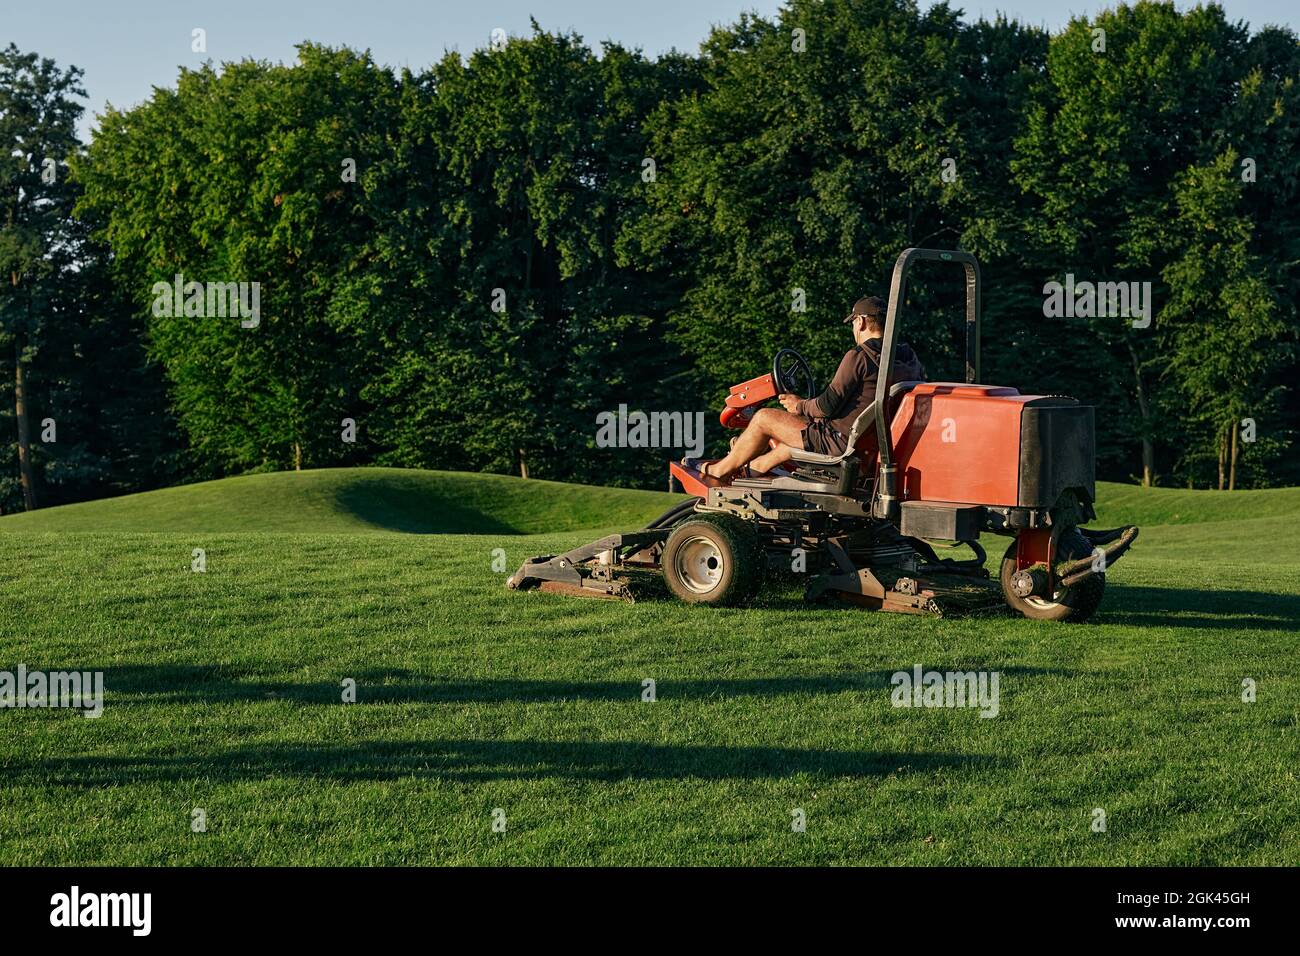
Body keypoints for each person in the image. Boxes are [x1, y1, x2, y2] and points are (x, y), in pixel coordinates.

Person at [698, 295, 925, 479]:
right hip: (872, 445)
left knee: (763, 418)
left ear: (862, 321)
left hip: (839, 443)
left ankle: (719, 469)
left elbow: (827, 406)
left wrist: (799, 405)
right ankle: (751, 468)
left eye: (854, 322)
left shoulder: (859, 357)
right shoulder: (908, 358)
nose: (854, 328)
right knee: (788, 443)